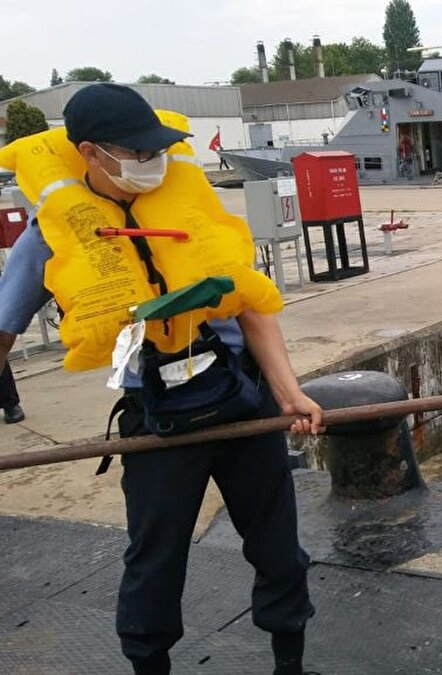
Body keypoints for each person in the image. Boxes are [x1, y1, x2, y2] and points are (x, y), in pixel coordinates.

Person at [0, 84, 323, 674]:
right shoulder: (50, 236)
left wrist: (289, 392)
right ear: (92, 153)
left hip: (239, 402)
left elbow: (251, 307)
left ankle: (290, 665)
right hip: (156, 420)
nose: (153, 163)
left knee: (279, 550)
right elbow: (3, 328)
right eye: (138, 153)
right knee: (155, 561)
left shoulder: (188, 208)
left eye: (159, 151)